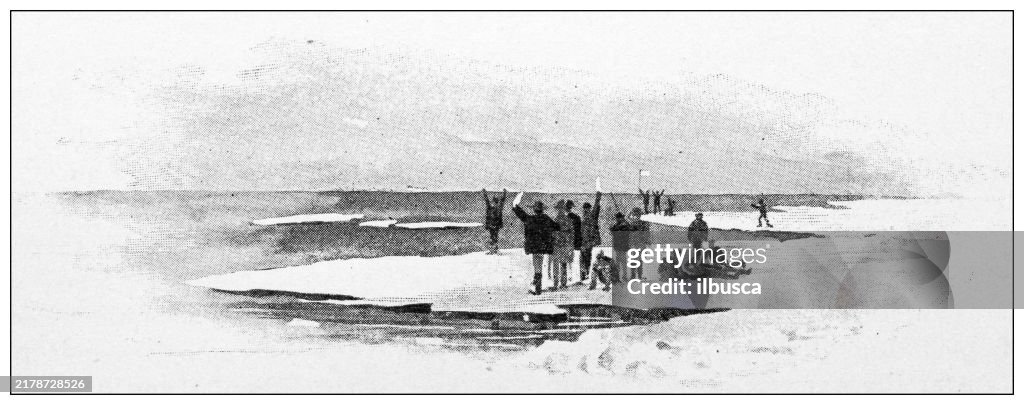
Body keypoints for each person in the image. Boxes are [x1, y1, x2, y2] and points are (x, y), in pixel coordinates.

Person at [512, 199, 560, 295]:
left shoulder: (530, 219)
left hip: (533, 247)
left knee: (537, 267)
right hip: (543, 247)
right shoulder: (546, 218)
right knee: (539, 266)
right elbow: (557, 227)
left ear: (534, 210)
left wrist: (515, 206)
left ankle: (537, 288)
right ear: (542, 210)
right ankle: (538, 288)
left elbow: (521, 214)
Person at [550, 200, 575, 290]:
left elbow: (552, 234)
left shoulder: (555, 220)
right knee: (563, 264)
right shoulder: (568, 220)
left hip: (557, 245)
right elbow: (572, 234)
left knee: (557, 265)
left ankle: (556, 284)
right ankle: (563, 283)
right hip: (564, 245)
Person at [579, 191, 602, 281]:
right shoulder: (584, 218)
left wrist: (598, 198)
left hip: (588, 241)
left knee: (586, 257)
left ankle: (585, 274)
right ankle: (584, 274)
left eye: (587, 209)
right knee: (584, 257)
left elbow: (596, 207)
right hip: (584, 241)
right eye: (584, 209)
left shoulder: (592, 217)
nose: (585, 210)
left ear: (589, 209)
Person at [481, 188, 508, 254]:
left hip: (495, 225)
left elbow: (502, 201)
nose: (493, 204)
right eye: (493, 202)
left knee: (495, 237)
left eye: (494, 202)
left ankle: (494, 250)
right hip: (492, 225)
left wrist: (504, 193)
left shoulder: (498, 208)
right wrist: (485, 193)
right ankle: (493, 250)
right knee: (492, 237)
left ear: (495, 202)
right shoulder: (490, 208)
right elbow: (487, 200)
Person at [627, 207, 651, 280]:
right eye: (635, 214)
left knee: (639, 260)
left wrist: (647, 240)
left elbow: (647, 233)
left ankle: (638, 276)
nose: (636, 216)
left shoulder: (643, 223)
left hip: (640, 244)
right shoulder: (632, 222)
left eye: (637, 214)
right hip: (634, 244)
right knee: (633, 260)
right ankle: (633, 276)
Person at [609, 212, 632, 281]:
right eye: (617, 218)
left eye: (618, 218)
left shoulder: (624, 225)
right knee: (619, 262)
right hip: (618, 246)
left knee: (622, 262)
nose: (617, 219)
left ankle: (623, 276)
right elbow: (612, 231)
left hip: (622, 246)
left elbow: (623, 231)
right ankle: (619, 277)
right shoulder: (617, 225)